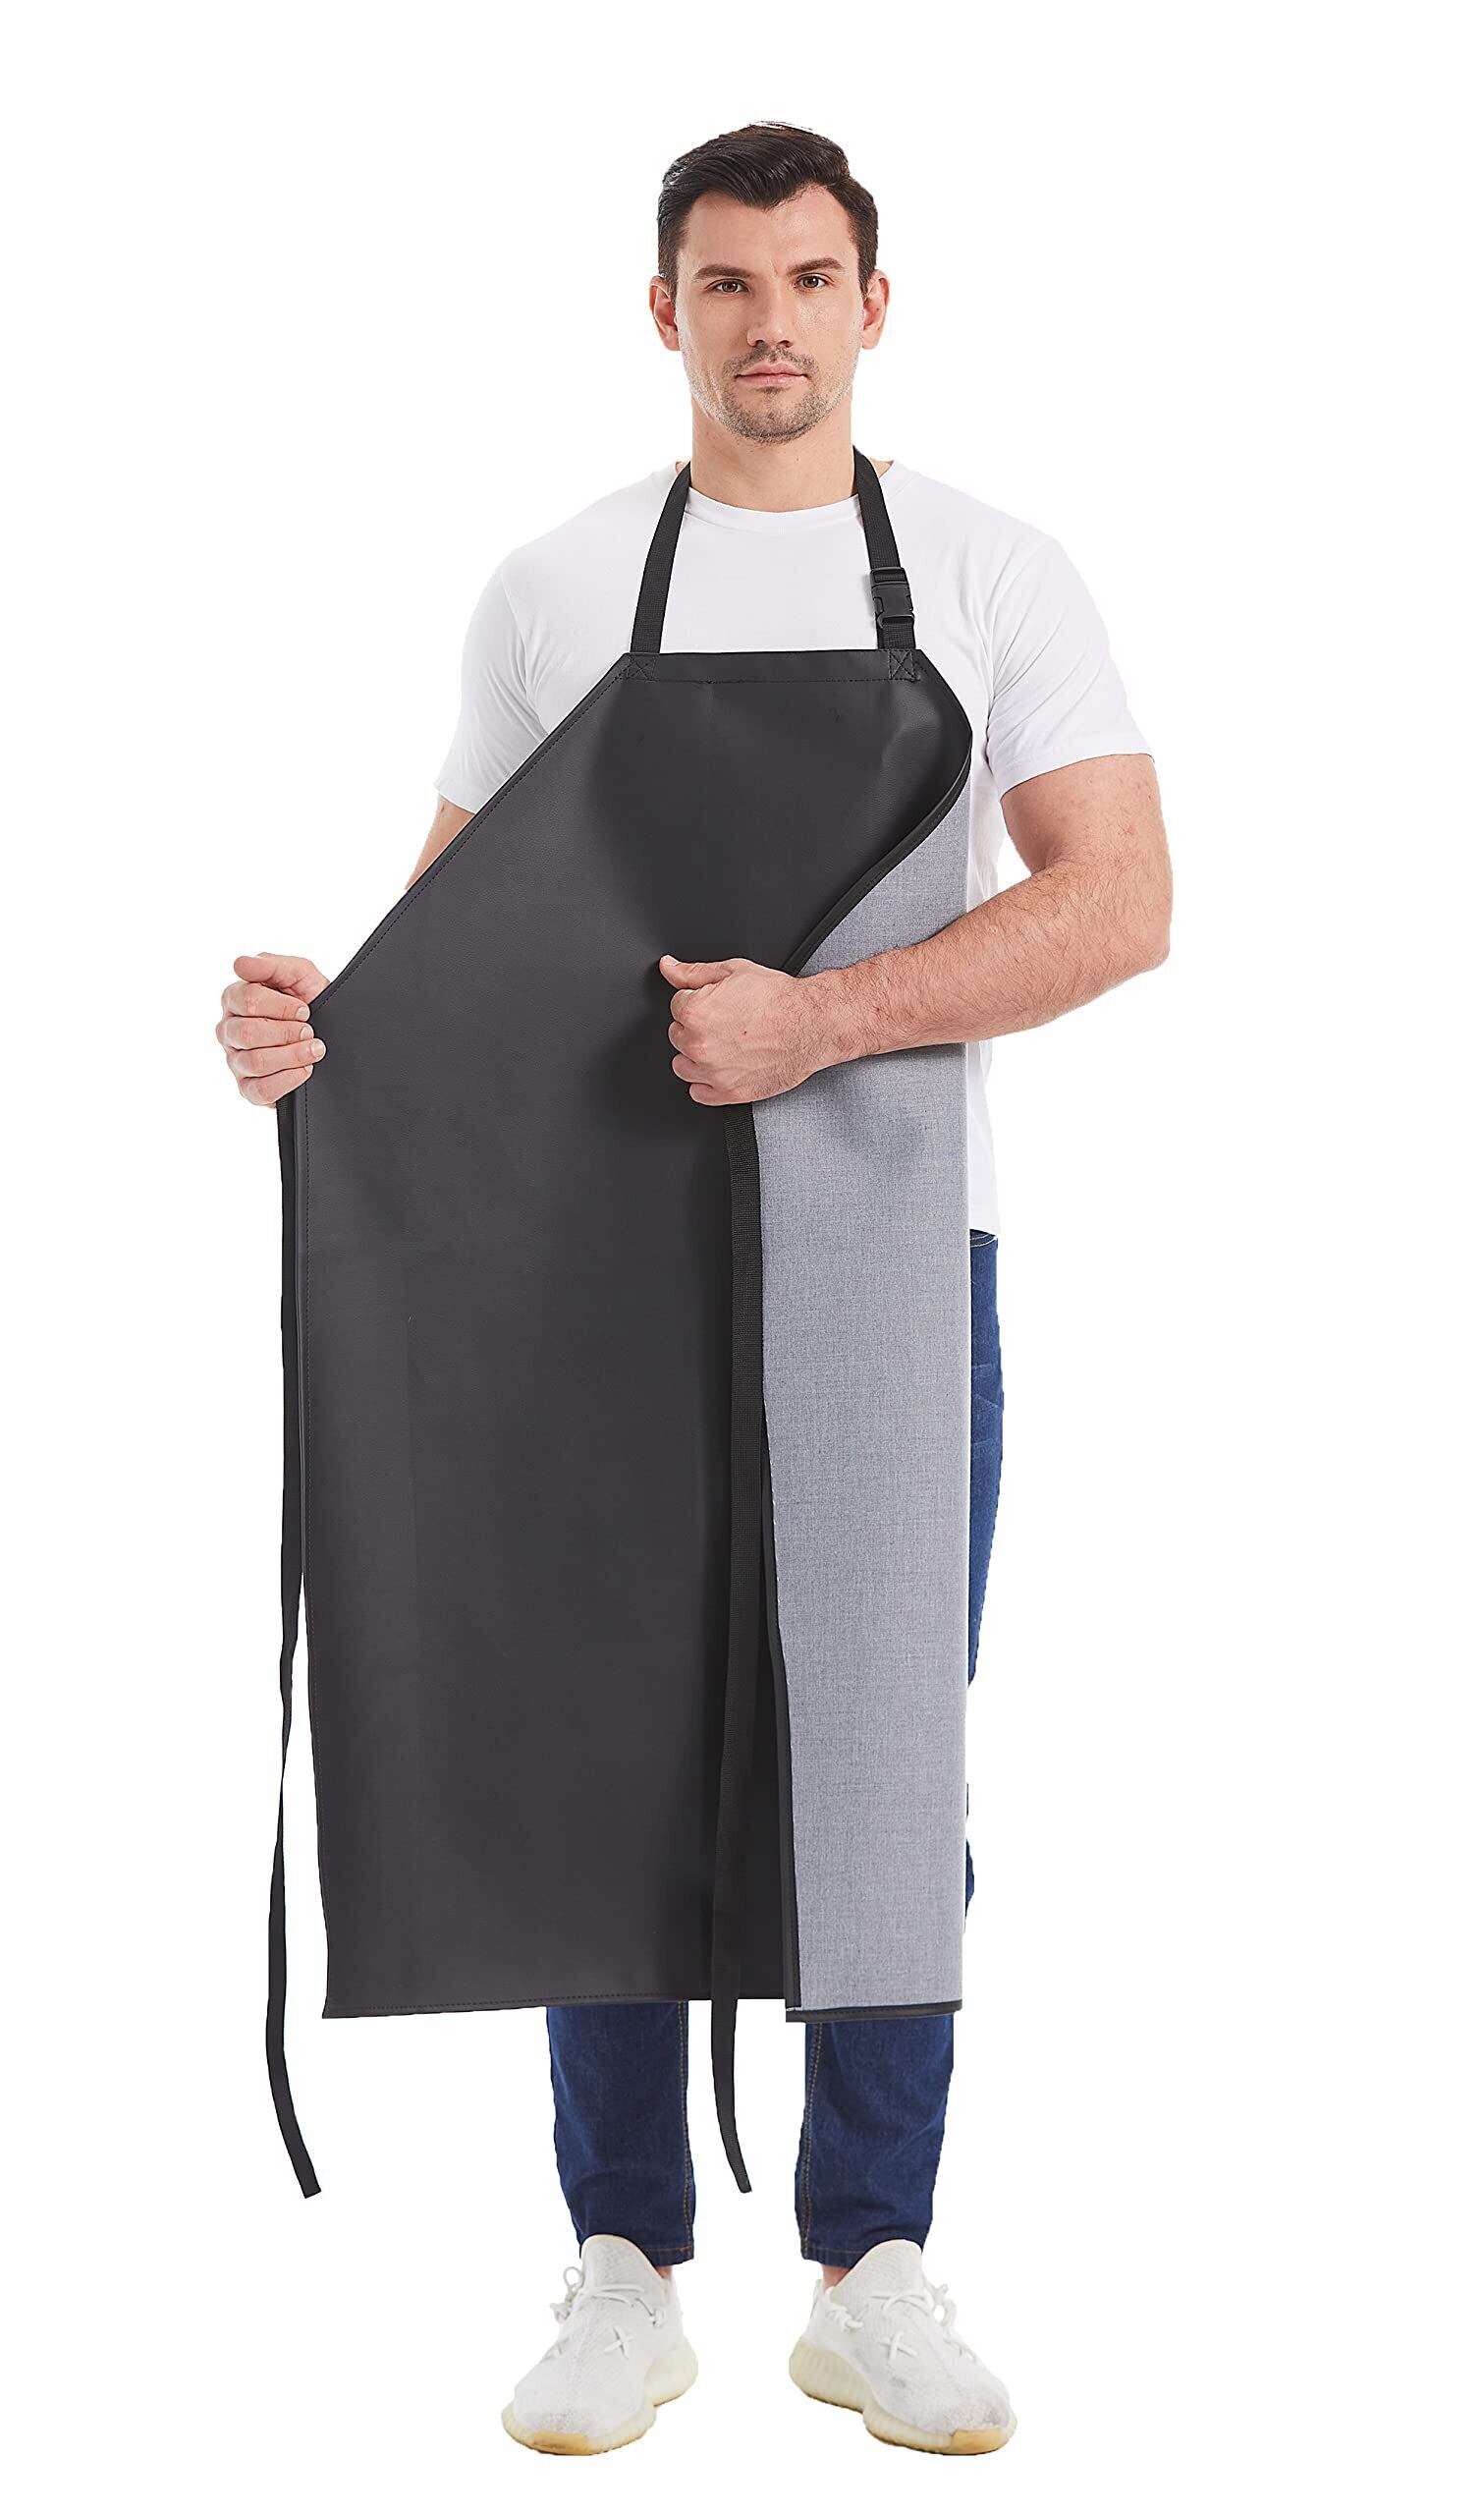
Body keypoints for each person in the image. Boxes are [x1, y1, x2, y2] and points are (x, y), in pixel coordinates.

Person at [218, 121, 1170, 2458]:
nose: (770, 322)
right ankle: (624, 2261)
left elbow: (1121, 897)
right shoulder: (557, 590)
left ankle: (875, 2261)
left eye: (810, 278)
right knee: (607, 1729)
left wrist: (822, 1020)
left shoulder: (993, 571)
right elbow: (452, 943)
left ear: (875, 305)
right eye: (727, 282)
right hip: (596, 1258)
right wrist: (314, 1030)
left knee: (884, 1749)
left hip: (891, 1239)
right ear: (665, 312)